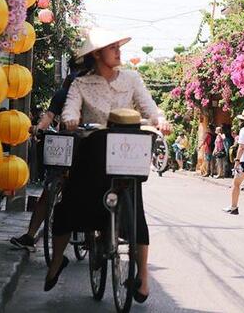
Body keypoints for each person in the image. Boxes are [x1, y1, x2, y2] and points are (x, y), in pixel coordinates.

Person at [45, 28, 170, 302]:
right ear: (97, 54)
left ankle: (143, 277)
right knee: (69, 203)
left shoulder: (132, 78)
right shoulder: (81, 84)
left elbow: (150, 108)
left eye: (118, 46)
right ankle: (56, 262)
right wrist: (69, 119)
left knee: (135, 208)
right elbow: (70, 108)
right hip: (93, 151)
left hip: (128, 153)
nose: (118, 51)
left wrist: (159, 120)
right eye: (112, 47)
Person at [9, 58, 89, 251]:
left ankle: (93, 233)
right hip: (65, 145)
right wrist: (38, 128)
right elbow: (49, 115)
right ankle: (30, 236)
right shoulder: (62, 94)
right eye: (75, 71)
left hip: (87, 146)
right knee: (48, 190)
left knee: (91, 189)